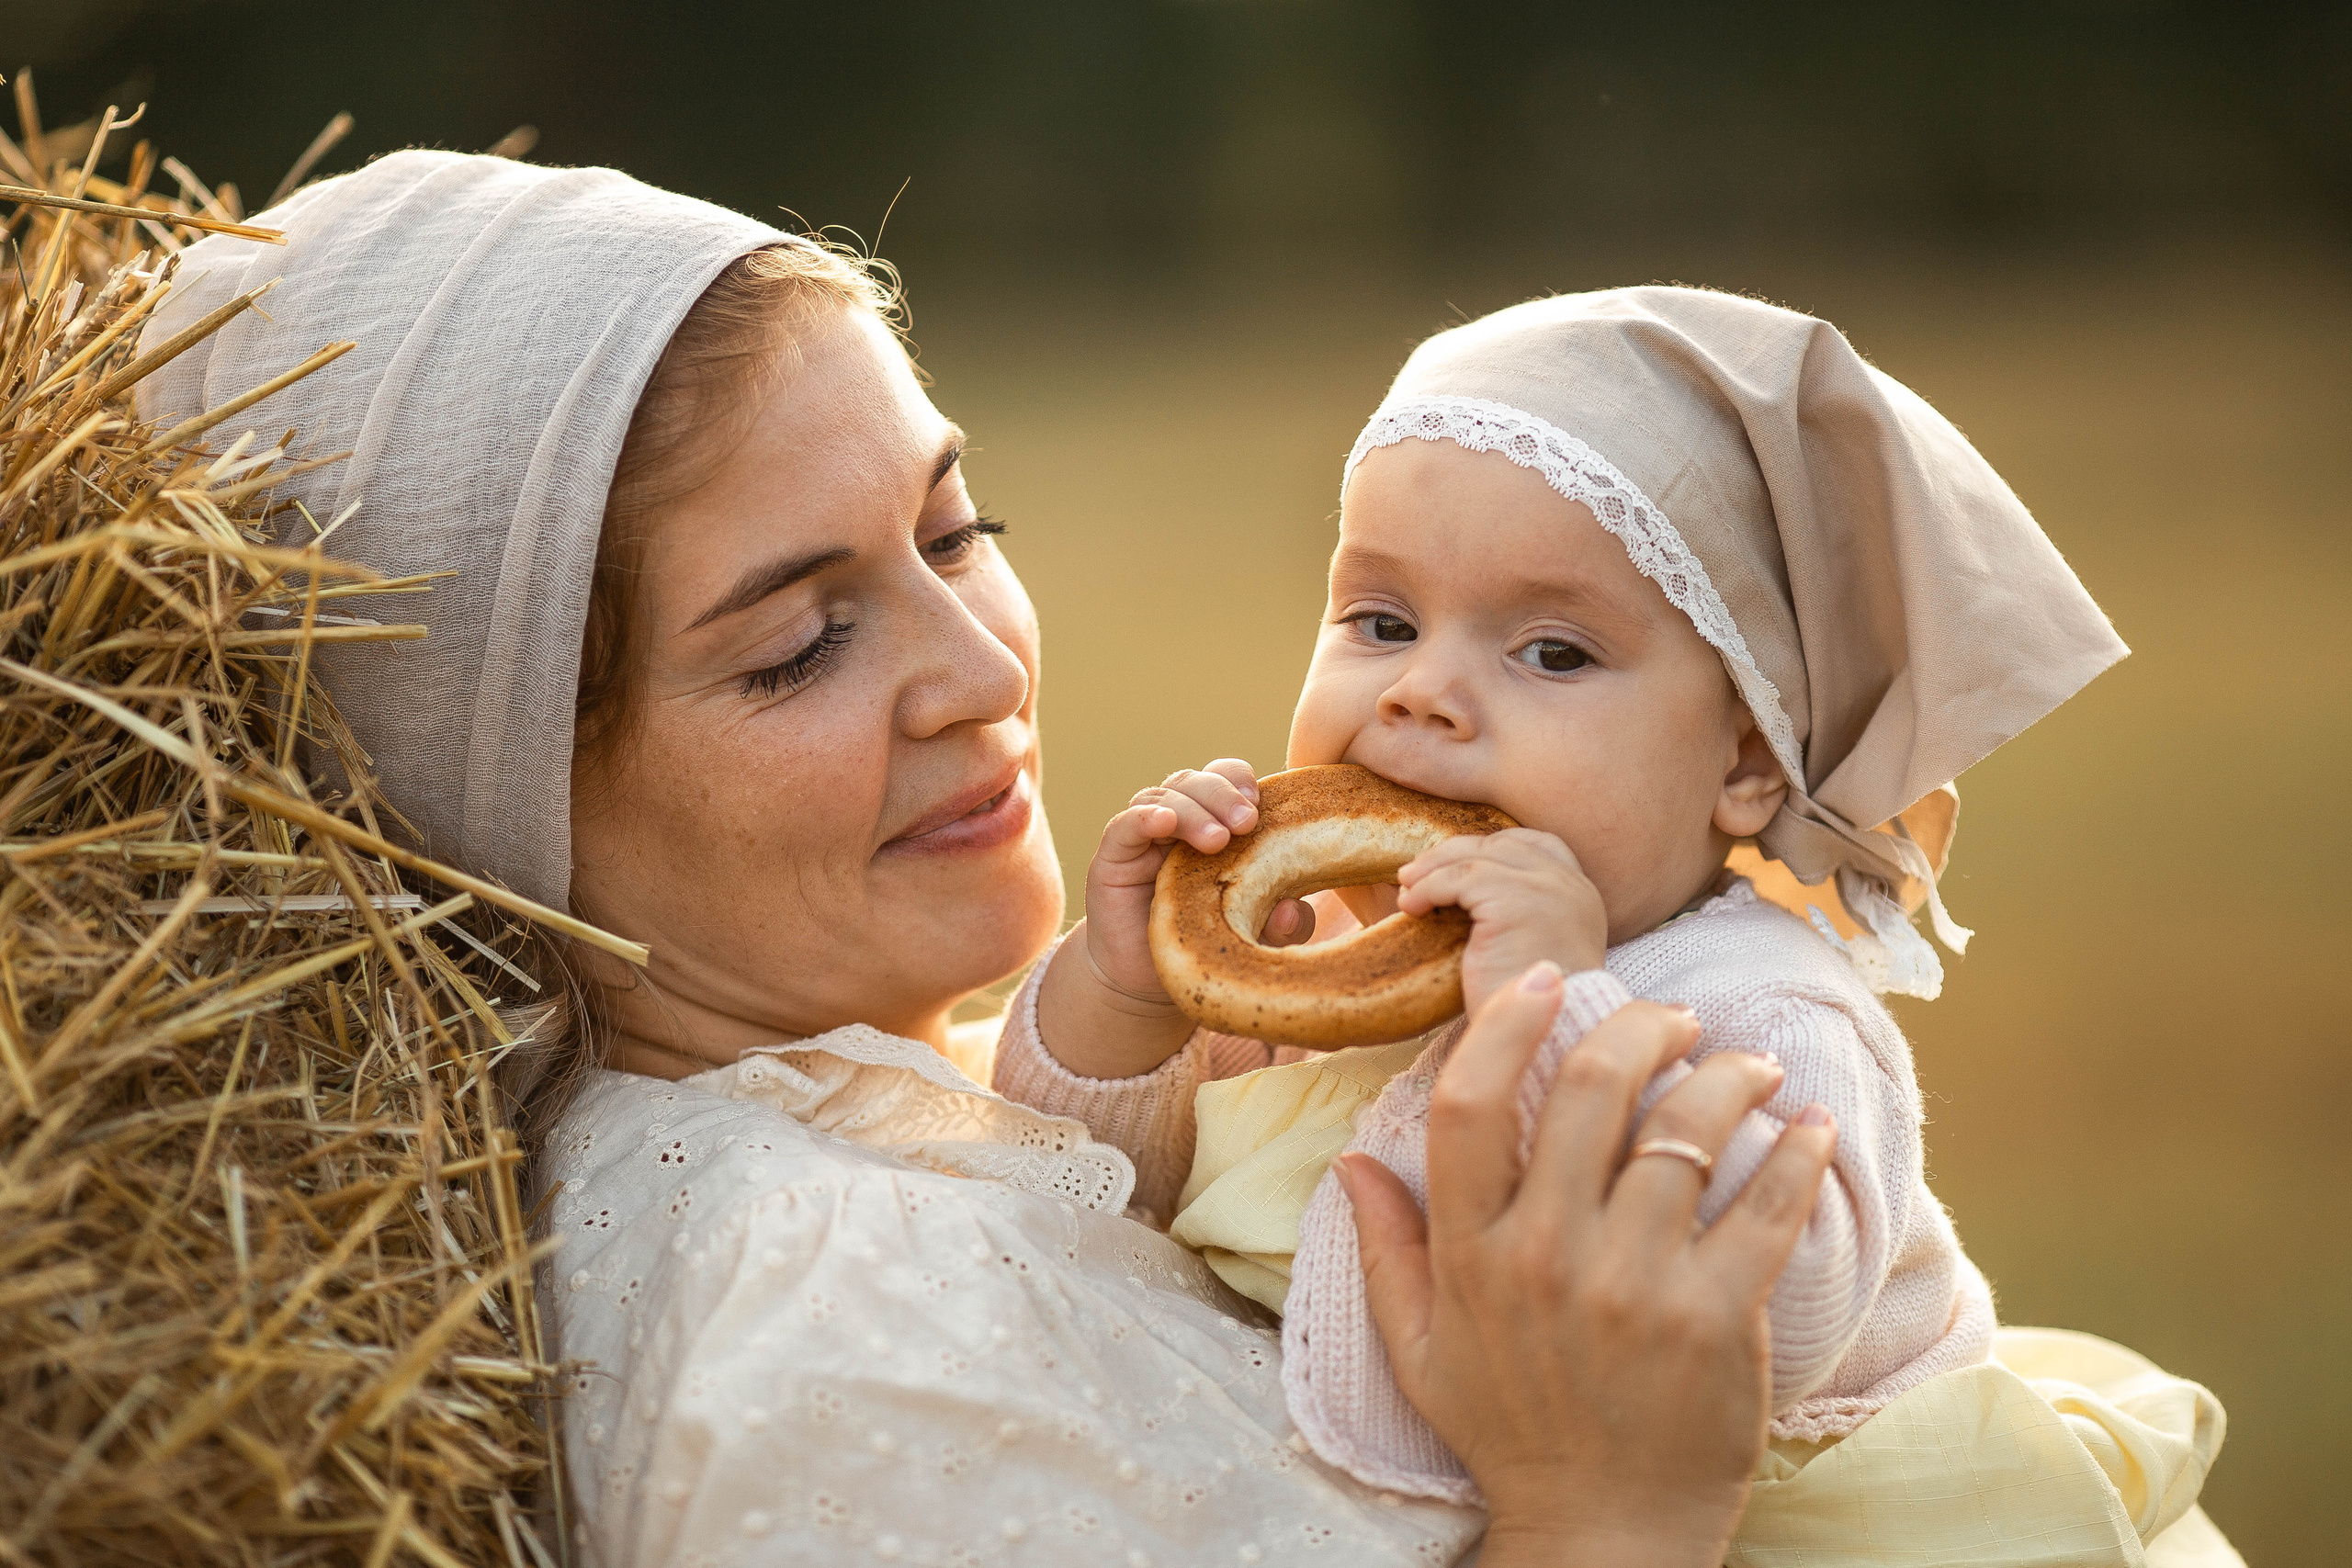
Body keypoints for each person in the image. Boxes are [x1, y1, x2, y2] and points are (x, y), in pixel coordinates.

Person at [138, 151, 1845, 1566]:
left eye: (957, 532)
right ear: (489, 793)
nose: (981, 670)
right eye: (799, 645)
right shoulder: (842, 1310)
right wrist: (1608, 1508)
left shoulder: (845, 1136)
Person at [1000, 288, 2242, 1563]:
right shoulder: (1328, 976)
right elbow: (1080, 1202)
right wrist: (1127, 990)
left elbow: (1771, 1305)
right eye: (1383, 623)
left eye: (1551, 653)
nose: (1425, 692)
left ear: (1745, 762)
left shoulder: (1762, 1008)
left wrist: (1558, 1003)